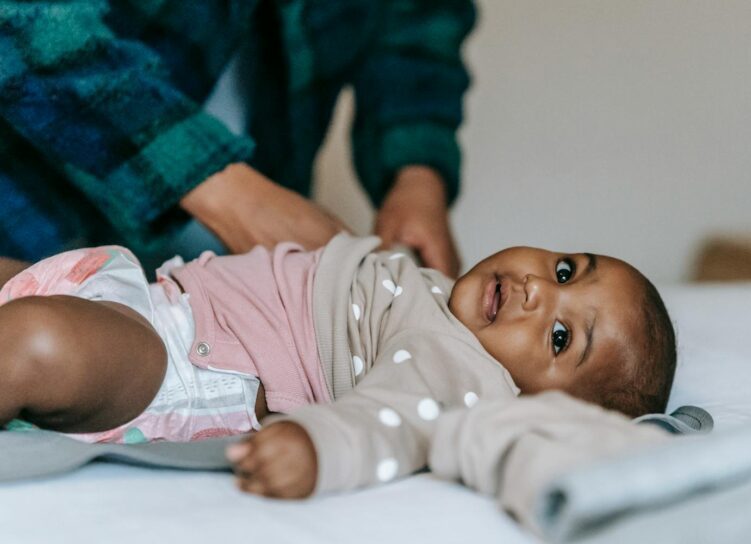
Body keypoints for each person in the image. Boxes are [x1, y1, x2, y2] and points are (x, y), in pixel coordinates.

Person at [0, 233, 676, 497]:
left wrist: (319, 447)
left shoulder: (461, 365)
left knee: (37, 343)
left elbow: (396, 420)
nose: (539, 290)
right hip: (146, 300)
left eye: (560, 338)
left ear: (539, 403)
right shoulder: (446, 300)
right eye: (565, 269)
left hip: (179, 365)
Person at [0, 0, 471, 276]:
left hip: (243, 263)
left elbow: (416, 22)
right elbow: (21, 16)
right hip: (27, 212)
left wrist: (415, 175)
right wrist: (224, 190)